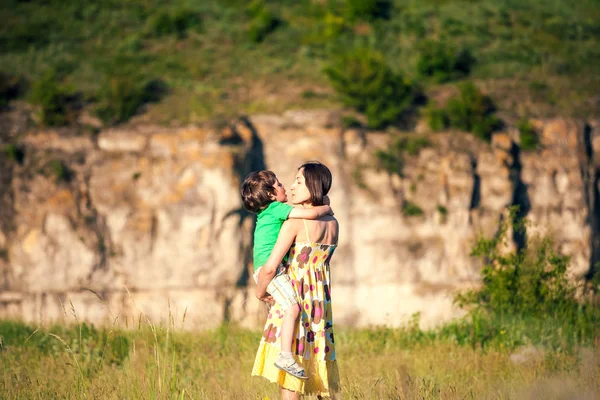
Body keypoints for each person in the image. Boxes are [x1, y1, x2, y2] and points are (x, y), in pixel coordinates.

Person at [252, 162, 340, 399]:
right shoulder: (333, 223)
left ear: (313, 186)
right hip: (319, 304)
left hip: (296, 298)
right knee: (318, 369)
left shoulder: (294, 224)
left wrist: (260, 292)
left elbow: (269, 268)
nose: (291, 187)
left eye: (298, 181)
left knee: (291, 376)